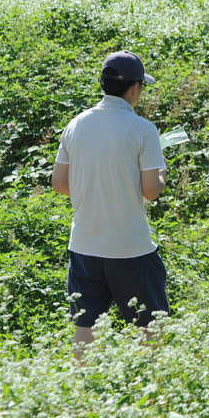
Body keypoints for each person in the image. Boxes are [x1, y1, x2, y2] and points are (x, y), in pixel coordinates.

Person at [51, 51, 169, 357]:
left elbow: (60, 184)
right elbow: (151, 191)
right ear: (134, 89)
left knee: (85, 322)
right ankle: (150, 385)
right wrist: (161, 173)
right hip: (129, 246)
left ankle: (82, 386)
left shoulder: (76, 125)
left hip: (85, 244)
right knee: (149, 323)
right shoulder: (143, 130)